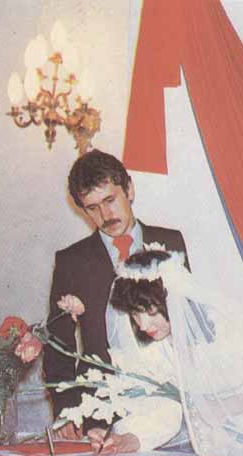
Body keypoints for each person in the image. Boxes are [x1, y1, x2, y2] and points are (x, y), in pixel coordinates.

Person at [84, 248, 243, 456]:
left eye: (150, 312)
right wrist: (128, 438)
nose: (142, 325)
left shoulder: (229, 328)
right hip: (215, 450)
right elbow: (163, 407)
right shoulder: (155, 348)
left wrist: (228, 405)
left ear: (173, 299)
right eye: (134, 315)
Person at [43, 149, 189, 432]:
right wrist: (66, 412)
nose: (105, 215)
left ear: (129, 189)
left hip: (168, 407)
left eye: (110, 200)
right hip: (98, 412)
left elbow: (189, 324)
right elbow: (59, 345)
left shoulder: (171, 242)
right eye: (92, 207)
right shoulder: (71, 261)